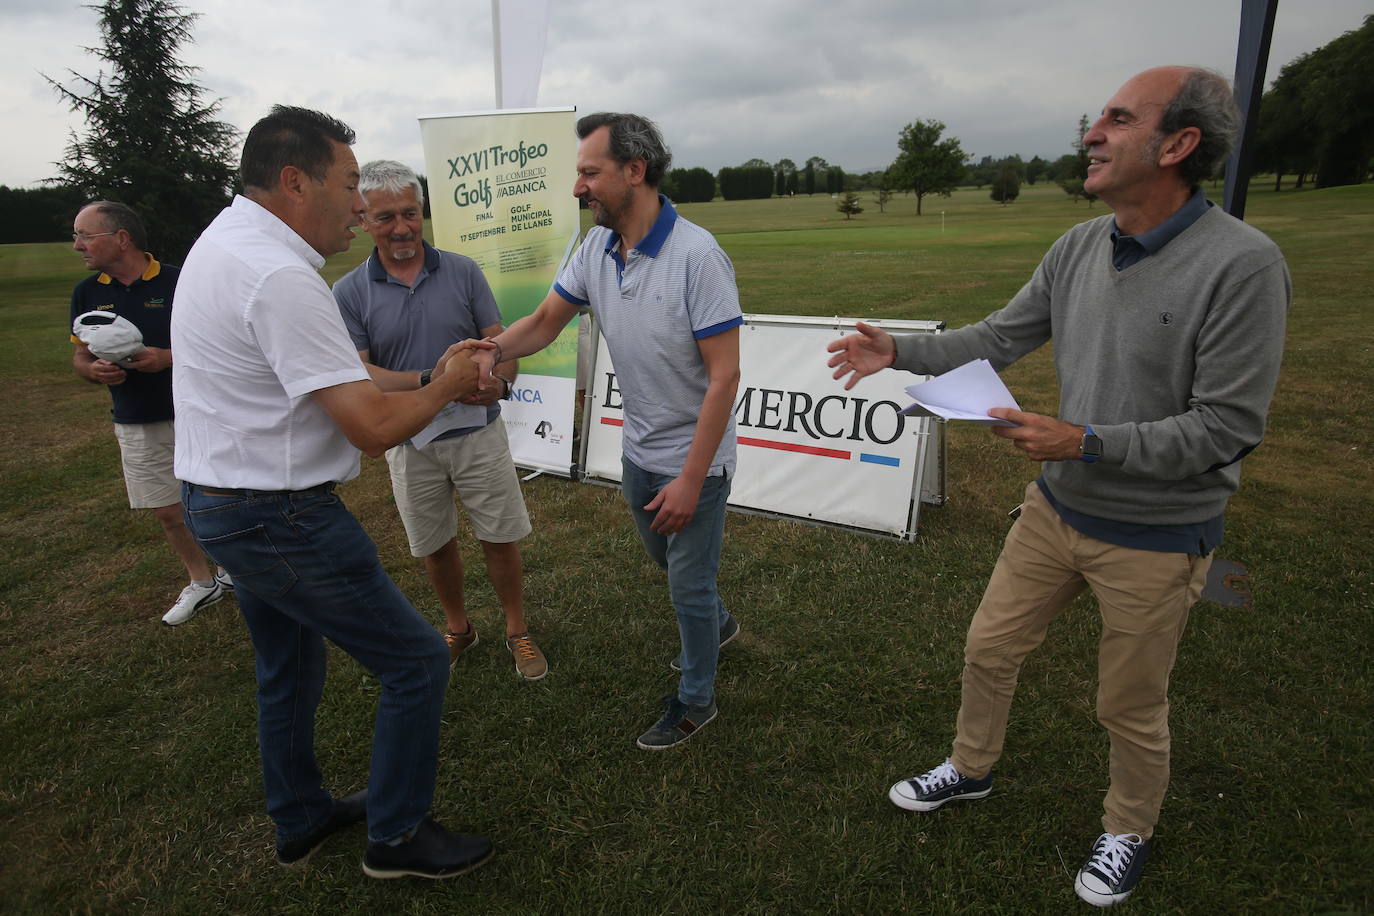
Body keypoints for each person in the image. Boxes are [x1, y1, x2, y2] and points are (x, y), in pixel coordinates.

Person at [827, 67, 1289, 907]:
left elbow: (1226, 429)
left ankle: (1127, 829)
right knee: (988, 647)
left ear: (1179, 145)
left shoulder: (1244, 266)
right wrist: (898, 350)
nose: (1093, 133)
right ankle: (970, 769)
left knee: (1129, 703)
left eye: (1118, 119)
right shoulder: (1080, 244)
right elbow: (999, 337)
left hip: (1156, 533)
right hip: (1055, 509)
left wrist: (1085, 441)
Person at [171, 105, 493, 880]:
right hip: (278, 516)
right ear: (293, 181)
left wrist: (423, 377)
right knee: (417, 661)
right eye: (349, 185)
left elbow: (345, 383)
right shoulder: (280, 276)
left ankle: (302, 816)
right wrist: (447, 381)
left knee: (289, 665)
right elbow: (371, 426)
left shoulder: (228, 243)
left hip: (223, 502)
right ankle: (397, 836)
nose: (360, 206)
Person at [470, 112, 742, 750]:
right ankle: (720, 625)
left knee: (687, 583)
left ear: (634, 171)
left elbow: (725, 379)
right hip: (639, 452)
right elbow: (542, 322)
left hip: (693, 465)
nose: (577, 187)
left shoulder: (699, 256)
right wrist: (487, 351)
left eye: (590, 172)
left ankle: (696, 701)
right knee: (670, 564)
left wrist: (691, 479)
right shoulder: (596, 248)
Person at [333, 160, 546, 680]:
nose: (402, 228)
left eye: (410, 213)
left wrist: (501, 381)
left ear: (423, 212)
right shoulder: (349, 291)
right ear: (364, 220)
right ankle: (459, 628)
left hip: (478, 432)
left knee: (499, 537)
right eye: (385, 217)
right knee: (434, 545)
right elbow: (364, 374)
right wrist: (435, 381)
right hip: (409, 440)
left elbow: (501, 344)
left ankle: (517, 630)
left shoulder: (462, 270)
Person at [68, 201, 232, 626]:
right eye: (77, 236)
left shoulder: (181, 281)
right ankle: (202, 581)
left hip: (196, 411)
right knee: (166, 509)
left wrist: (168, 357)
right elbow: (81, 357)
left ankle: (235, 570)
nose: (77, 246)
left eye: (85, 235)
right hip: (135, 416)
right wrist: (95, 370)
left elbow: (220, 344)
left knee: (219, 495)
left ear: (121, 238)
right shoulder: (88, 293)